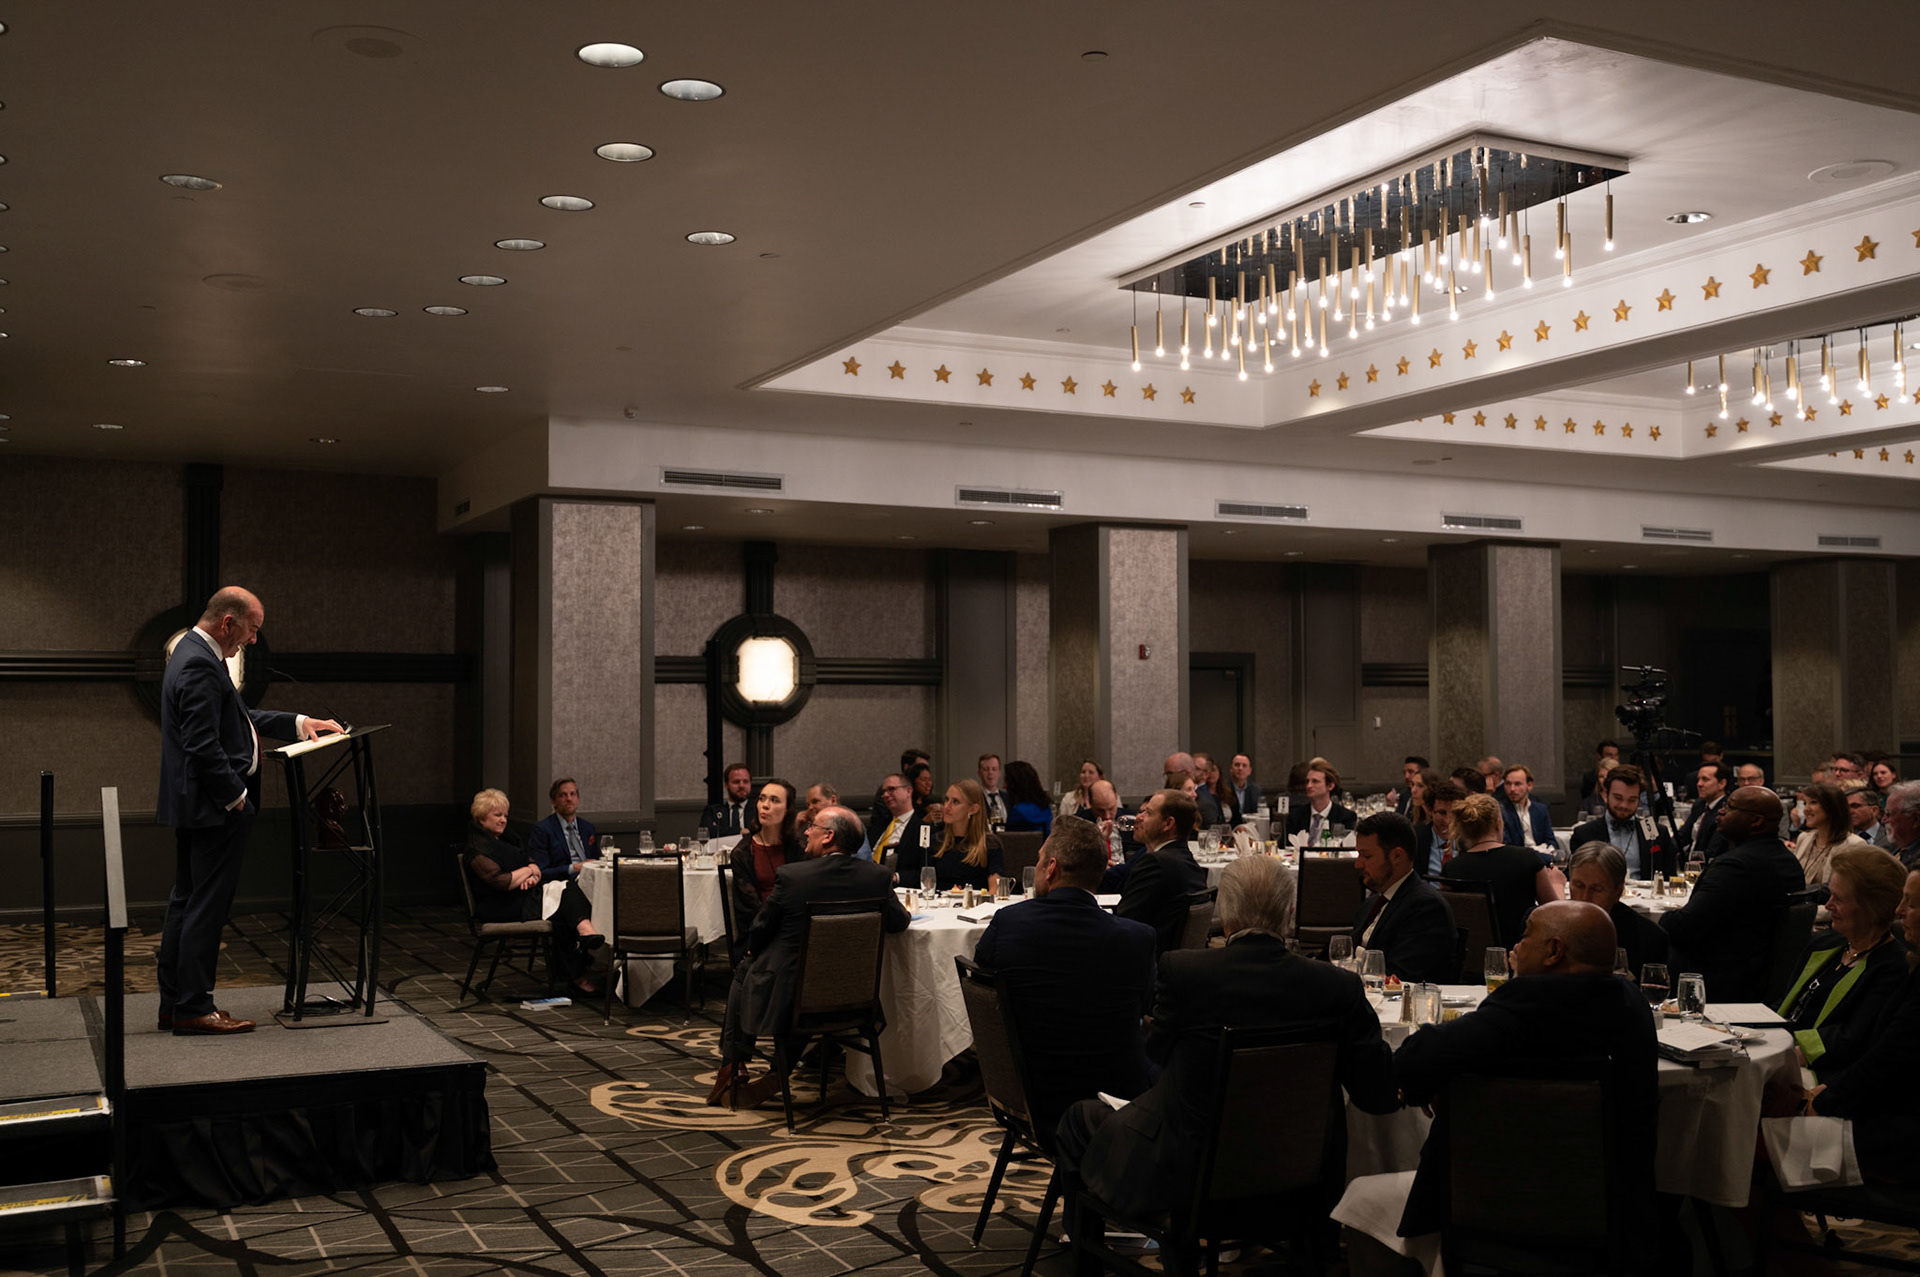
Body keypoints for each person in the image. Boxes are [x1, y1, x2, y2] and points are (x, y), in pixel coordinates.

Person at [1053, 855, 1399, 1221]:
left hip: (1192, 1176)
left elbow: (1157, 1052)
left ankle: (1086, 1249)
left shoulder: (1185, 971)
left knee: (1080, 1117)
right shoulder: (1338, 986)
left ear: (1226, 916)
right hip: (1303, 1173)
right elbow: (1373, 1089)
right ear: (1290, 913)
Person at [1391, 901, 1657, 1247]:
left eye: (1526, 935)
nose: (1516, 946)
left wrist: (1445, 1083)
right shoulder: (1632, 1004)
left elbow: (1412, 1060)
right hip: (1614, 1217)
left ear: (1554, 951)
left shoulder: (1529, 1003)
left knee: (1359, 1199)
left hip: (1493, 1211)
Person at [156, 586, 343, 1036]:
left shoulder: (191, 653)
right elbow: (202, 743)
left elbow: (236, 717)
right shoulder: (201, 662)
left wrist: (299, 723)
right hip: (215, 808)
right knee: (205, 907)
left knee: (187, 903)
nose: (253, 640)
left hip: (196, 805)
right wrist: (236, 796)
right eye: (252, 629)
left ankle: (178, 1004)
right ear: (228, 623)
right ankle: (193, 1007)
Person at [709, 806, 910, 1110]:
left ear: (828, 837)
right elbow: (899, 923)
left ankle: (733, 1064)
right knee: (803, 979)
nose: (805, 832)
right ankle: (771, 1070)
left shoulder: (794, 876)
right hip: (856, 1002)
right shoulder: (877, 877)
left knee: (748, 966)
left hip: (790, 1002)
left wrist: (756, 949)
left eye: (812, 827)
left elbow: (761, 930)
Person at [972, 816, 1156, 1136]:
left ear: (1051, 868)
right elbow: (1149, 1011)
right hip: (1117, 1100)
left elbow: (983, 988)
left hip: (1033, 1095)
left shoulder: (1008, 924)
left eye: (1040, 860)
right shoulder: (1137, 938)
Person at [1659, 787, 1805, 1003]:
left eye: (1730, 807)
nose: (1721, 812)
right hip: (1759, 974)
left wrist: (1666, 917)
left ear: (1756, 821)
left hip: (1718, 978)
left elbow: (1683, 927)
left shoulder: (1735, 866)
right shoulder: (1788, 861)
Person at [1776, 846, 1909, 1079]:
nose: (1828, 905)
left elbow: (1853, 1038)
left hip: (1825, 1074)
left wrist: (1780, 1056)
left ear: (1871, 907)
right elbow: (1786, 1004)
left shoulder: (1893, 967)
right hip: (1781, 1049)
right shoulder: (1823, 945)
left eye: (1838, 898)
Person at [464, 788, 605, 997]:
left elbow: (534, 866)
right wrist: (528, 871)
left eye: (505, 815)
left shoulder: (507, 839)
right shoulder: (477, 849)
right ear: (481, 818)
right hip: (499, 905)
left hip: (520, 895)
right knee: (563, 907)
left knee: (567, 890)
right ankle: (580, 959)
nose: (503, 820)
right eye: (497, 815)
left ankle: (578, 962)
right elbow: (502, 882)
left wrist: (531, 875)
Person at [1439, 792, 1561, 950]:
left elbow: (1448, 922)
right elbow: (1556, 915)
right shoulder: (1527, 859)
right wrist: (1557, 883)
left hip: (1470, 960)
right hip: (1520, 956)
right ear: (1498, 823)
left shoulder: (1451, 869)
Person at [1351, 811, 1456, 983]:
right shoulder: (1372, 904)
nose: (1358, 864)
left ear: (1397, 856)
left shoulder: (1426, 908)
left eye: (1367, 855)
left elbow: (1398, 979)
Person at [1115, 789, 1206, 952]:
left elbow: (1124, 923)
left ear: (1168, 824)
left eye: (1148, 813)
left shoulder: (1155, 864)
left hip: (1147, 963)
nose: (1138, 817)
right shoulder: (1188, 861)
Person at [1567, 842, 1669, 980]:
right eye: (1578, 886)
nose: (1585, 898)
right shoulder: (1546, 926)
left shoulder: (1648, 939)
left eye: (1596, 889)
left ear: (1618, 891)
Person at [1569, 764, 1673, 881]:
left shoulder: (1655, 830)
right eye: (1618, 798)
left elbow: (1669, 877)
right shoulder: (1584, 834)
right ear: (1606, 793)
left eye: (1632, 800)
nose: (1624, 805)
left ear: (1639, 799)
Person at [728, 777, 804, 931]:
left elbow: (803, 895)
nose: (765, 805)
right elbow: (749, 910)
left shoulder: (799, 848)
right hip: (760, 931)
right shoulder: (743, 852)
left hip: (796, 927)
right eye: (762, 799)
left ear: (787, 809)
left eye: (774, 800)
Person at [932, 778, 1005, 893]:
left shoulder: (990, 843)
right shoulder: (936, 841)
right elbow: (926, 884)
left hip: (976, 906)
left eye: (955, 802)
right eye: (946, 800)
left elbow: (995, 889)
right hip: (939, 906)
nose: (946, 807)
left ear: (973, 809)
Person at [1792, 781, 1869, 886]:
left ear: (1832, 807)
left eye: (1813, 802)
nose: (1806, 809)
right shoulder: (1804, 838)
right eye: (1805, 803)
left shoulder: (1854, 844)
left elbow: (1853, 887)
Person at [870, 772, 941, 881]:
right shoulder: (877, 827)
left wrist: (896, 877)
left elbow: (926, 871)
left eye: (891, 789)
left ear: (908, 791)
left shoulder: (922, 829)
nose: (885, 795)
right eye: (884, 792)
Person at [529, 777, 596, 882]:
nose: (569, 799)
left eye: (572, 794)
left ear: (578, 799)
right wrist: (573, 868)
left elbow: (595, 859)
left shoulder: (587, 828)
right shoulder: (542, 830)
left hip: (592, 879)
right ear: (553, 801)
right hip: (564, 883)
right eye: (563, 795)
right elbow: (541, 871)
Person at [1286, 762, 1357, 843]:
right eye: (1307, 781)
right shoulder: (1295, 816)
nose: (1308, 786)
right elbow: (1286, 847)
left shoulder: (1345, 817)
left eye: (1315, 781)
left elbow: (1348, 848)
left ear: (1330, 786)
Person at [1679, 763, 1731, 861]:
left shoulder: (1726, 811)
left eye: (1705, 779)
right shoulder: (1699, 805)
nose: (1699, 784)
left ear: (1722, 784)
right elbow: (1682, 836)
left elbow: (1712, 852)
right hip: (1689, 865)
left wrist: (1679, 857)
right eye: (1698, 779)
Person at [1413, 779, 1464, 878]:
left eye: (1454, 813)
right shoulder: (1416, 839)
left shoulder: (1469, 840)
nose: (1448, 821)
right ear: (1429, 810)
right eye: (1442, 813)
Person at [1498, 764, 1554, 848]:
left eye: (1517, 784)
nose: (1512, 789)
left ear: (1529, 785)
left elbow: (1551, 840)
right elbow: (1507, 845)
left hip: (1543, 856)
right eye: (1508, 784)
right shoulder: (1500, 810)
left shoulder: (1540, 809)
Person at [1001, 760, 1054, 836]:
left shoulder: (1017, 812)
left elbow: (1009, 841)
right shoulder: (1046, 809)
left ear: (1015, 785)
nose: (1003, 786)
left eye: (1006, 781)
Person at [700, 763, 754, 836]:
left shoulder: (758, 810)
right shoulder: (713, 811)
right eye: (736, 782)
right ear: (726, 785)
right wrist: (738, 831)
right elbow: (706, 831)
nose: (741, 785)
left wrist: (721, 829)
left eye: (746, 781)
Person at [1577, 739, 1622, 804]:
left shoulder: (1626, 776)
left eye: (1616, 755)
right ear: (1599, 756)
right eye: (1609, 755)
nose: (1613, 758)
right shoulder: (1590, 778)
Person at [1888, 781, 1920, 868]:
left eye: (1889, 814)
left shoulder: (1916, 865)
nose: (1884, 820)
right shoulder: (1893, 849)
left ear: (1916, 819)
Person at [977, 753, 1009, 824]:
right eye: (986, 769)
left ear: (999, 773)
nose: (990, 773)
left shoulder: (1008, 798)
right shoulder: (974, 798)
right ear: (979, 773)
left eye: (994, 769)